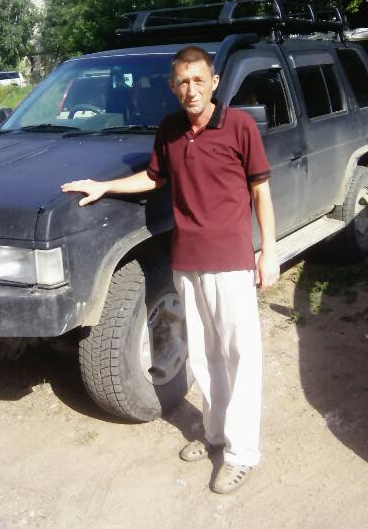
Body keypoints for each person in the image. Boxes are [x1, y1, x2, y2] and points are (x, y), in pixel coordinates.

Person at [61, 46, 279, 494]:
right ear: (172, 87)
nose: (190, 89)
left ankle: (241, 453)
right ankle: (215, 433)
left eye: (198, 80)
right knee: (204, 354)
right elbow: (154, 177)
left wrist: (268, 252)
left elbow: (261, 191)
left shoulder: (239, 126)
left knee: (240, 354)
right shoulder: (170, 129)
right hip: (188, 259)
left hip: (230, 261)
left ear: (214, 82)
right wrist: (104, 186)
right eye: (182, 82)